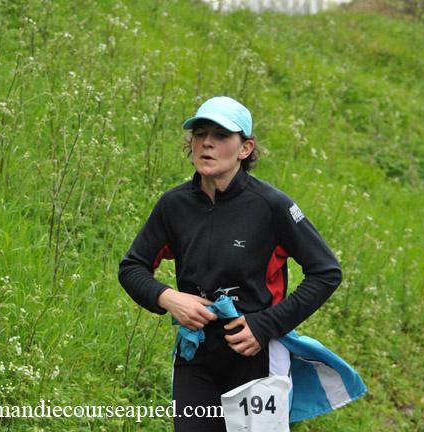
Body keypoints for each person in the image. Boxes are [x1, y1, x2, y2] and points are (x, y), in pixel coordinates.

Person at [118, 96, 342, 431]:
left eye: (221, 135)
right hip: (196, 354)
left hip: (257, 355)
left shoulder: (272, 206)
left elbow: (326, 272)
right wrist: (168, 298)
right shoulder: (173, 205)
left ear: (245, 148)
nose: (207, 143)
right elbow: (131, 267)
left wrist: (265, 325)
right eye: (200, 134)